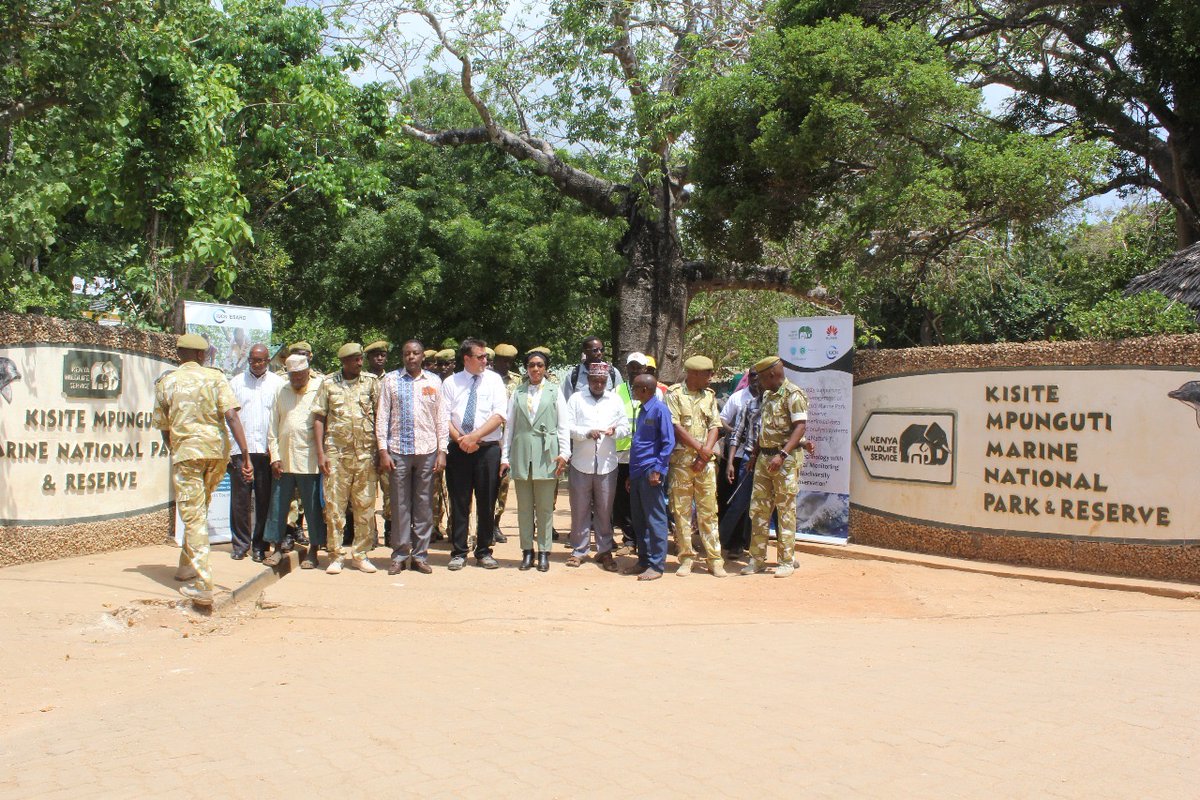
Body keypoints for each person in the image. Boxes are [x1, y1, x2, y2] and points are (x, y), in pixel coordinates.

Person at [153, 333, 254, 607]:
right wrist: (245, 456)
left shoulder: (166, 382)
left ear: (179, 355)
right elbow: (231, 415)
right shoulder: (215, 377)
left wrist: (175, 450)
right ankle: (187, 565)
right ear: (201, 355)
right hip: (216, 454)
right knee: (201, 507)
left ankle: (203, 583)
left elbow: (163, 427)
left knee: (194, 515)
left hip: (187, 454)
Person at [377, 339, 447, 575]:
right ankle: (399, 555)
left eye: (415, 353)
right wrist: (383, 450)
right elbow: (382, 417)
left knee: (424, 505)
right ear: (402, 356)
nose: (411, 357)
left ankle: (420, 555)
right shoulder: (391, 381)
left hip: (427, 451)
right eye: (407, 353)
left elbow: (441, 419)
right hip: (398, 451)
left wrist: (442, 451)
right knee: (400, 505)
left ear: (422, 356)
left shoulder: (434, 382)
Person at [312, 343, 380, 575]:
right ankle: (336, 555)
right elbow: (319, 418)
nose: (360, 363)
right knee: (334, 507)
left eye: (361, 359)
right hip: (336, 456)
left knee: (365, 506)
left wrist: (381, 451)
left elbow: (381, 417)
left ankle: (360, 555)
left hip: (365, 455)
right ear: (343, 361)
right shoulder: (328, 383)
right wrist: (321, 454)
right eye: (354, 360)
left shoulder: (371, 382)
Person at [441, 338, 508, 570]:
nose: (485, 360)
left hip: (487, 449)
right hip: (458, 449)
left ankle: (483, 551)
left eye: (486, 356)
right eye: (480, 357)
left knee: (487, 501)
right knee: (459, 501)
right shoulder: (451, 383)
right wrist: (462, 439)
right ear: (466, 359)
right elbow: (444, 416)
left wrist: (474, 437)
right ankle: (459, 551)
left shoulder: (494, 380)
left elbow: (499, 414)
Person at [501, 350, 568, 572]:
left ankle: (544, 552)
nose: (536, 369)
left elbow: (563, 425)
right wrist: (505, 456)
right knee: (524, 508)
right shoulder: (517, 392)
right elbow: (509, 427)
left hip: (547, 455)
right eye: (531, 365)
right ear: (526, 368)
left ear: (546, 368)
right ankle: (527, 551)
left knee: (545, 508)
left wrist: (564, 453)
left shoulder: (554, 391)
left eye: (540, 365)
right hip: (521, 455)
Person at [742, 356, 809, 578]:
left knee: (785, 511)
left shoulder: (793, 395)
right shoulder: (768, 395)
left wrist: (782, 454)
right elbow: (765, 428)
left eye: (761, 377)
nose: (758, 382)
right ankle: (757, 559)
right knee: (759, 510)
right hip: (764, 459)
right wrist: (755, 453)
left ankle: (786, 561)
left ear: (772, 375)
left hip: (785, 461)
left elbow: (800, 426)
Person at [263, 354, 328, 568]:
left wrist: (323, 455)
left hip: (309, 459)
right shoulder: (281, 391)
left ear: (308, 371)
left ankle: (314, 550)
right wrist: (275, 457)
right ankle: (277, 548)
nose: (297, 379)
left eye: (300, 375)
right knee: (278, 506)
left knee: (312, 508)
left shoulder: (319, 388)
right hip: (284, 458)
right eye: (293, 376)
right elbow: (273, 427)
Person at [564, 362, 629, 571]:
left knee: (604, 510)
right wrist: (585, 432)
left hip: (607, 464)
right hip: (580, 463)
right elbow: (567, 427)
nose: (599, 384)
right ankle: (579, 550)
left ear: (607, 381)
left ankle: (604, 550)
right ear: (589, 380)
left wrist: (614, 432)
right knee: (580, 509)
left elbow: (625, 427)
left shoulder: (615, 400)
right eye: (595, 381)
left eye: (602, 381)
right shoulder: (576, 399)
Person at [666, 355, 726, 577]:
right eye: (707, 374)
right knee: (681, 512)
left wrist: (705, 452)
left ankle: (714, 559)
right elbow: (675, 427)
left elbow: (715, 425)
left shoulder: (709, 396)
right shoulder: (674, 395)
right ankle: (686, 557)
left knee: (708, 511)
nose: (711, 378)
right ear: (694, 374)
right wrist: (699, 449)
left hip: (705, 463)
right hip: (682, 463)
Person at [227, 343, 285, 562]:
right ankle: (240, 544)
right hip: (241, 451)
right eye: (252, 360)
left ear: (268, 360)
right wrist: (230, 451)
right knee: (240, 500)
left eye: (260, 360)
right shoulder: (236, 383)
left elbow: (281, 416)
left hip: (267, 451)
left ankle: (260, 545)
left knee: (264, 500)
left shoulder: (278, 384)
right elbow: (228, 417)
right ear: (248, 360)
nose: (256, 364)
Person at [623, 374, 675, 581]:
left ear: (645, 390)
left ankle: (656, 564)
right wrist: (630, 474)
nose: (633, 391)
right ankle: (643, 560)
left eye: (635, 387)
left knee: (655, 519)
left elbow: (668, 442)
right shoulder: (642, 410)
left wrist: (658, 470)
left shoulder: (659, 409)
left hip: (650, 472)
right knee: (639, 519)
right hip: (637, 472)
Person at [719, 368, 760, 558]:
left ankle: (751, 543)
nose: (755, 378)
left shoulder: (770, 399)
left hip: (762, 458)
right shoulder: (738, 398)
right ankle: (729, 543)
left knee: (759, 504)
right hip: (738, 457)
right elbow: (722, 421)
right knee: (737, 502)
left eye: (759, 375)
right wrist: (736, 431)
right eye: (752, 375)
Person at [612, 352, 647, 552]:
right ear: (626, 368)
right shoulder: (618, 391)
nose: (635, 370)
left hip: (643, 456)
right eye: (631, 367)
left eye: (638, 367)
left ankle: (642, 539)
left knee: (643, 498)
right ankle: (629, 540)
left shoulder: (654, 390)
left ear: (645, 369)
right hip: (622, 454)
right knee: (623, 500)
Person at [490, 342, 521, 543]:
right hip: (489, 439)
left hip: (507, 441)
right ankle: (484, 525)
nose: (506, 364)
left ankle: (495, 524)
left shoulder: (517, 381)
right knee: (486, 486)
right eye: (502, 360)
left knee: (502, 485)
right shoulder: (487, 379)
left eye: (509, 361)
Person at [364, 340, 392, 543]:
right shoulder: (362, 381)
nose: (380, 358)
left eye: (383, 355)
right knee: (367, 491)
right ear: (368, 359)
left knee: (390, 489)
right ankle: (370, 532)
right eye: (375, 355)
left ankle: (391, 529)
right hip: (366, 443)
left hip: (389, 443)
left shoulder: (393, 379)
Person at [561, 336, 620, 400]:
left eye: (601, 350)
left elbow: (620, 400)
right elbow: (567, 402)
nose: (599, 353)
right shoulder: (573, 375)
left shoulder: (612, 372)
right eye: (595, 350)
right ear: (585, 351)